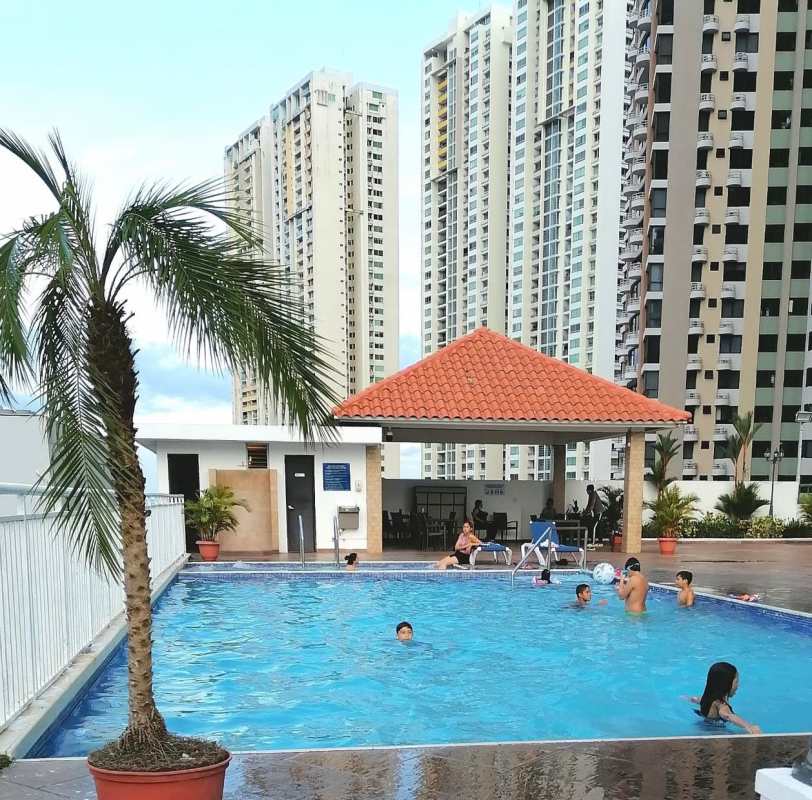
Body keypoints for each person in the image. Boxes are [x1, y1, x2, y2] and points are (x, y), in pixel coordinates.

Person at [689, 662, 761, 734]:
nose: (738, 686)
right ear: (726, 684)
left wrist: (689, 698)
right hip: (715, 732)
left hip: (701, 725)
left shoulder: (706, 698)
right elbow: (728, 716)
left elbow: (697, 699)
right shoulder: (721, 704)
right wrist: (748, 726)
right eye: (736, 682)